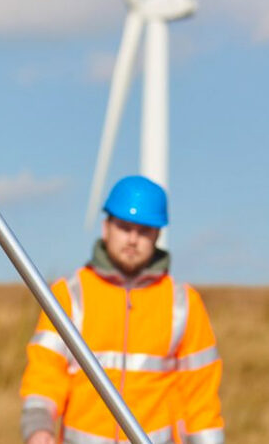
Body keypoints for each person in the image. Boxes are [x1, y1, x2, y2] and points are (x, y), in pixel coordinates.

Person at [19, 175, 224, 444]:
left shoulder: (184, 302)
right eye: (124, 227)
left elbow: (201, 397)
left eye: (144, 231)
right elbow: (45, 373)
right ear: (106, 227)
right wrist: (39, 428)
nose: (132, 239)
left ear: (157, 235)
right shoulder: (68, 294)